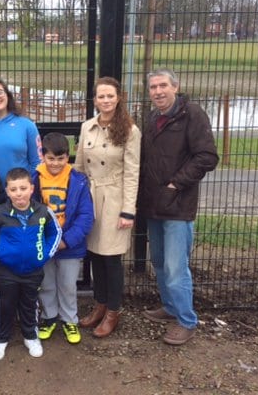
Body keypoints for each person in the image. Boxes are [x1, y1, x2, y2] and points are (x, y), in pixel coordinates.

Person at [138, 68, 218, 345]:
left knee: (175, 266)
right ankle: (170, 307)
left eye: (163, 86)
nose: (158, 92)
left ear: (175, 87)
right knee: (159, 262)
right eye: (153, 87)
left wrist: (176, 184)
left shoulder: (192, 115)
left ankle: (186, 320)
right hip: (154, 204)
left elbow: (207, 156)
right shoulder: (152, 118)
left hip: (178, 205)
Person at [74, 76, 141, 338]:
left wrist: (128, 210)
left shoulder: (130, 131)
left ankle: (114, 311)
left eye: (110, 96)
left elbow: (132, 173)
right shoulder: (86, 127)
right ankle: (99, 305)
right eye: (101, 96)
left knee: (111, 258)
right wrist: (74, 202)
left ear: (118, 98)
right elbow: (79, 167)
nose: (105, 100)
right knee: (94, 256)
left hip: (114, 199)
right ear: (95, 100)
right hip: (90, 199)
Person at [0, 167, 62, 360]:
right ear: (7, 191)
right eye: (13, 189)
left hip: (33, 270)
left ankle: (31, 336)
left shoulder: (43, 211)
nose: (19, 193)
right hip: (6, 270)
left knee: (30, 303)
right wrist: (0, 254)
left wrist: (44, 255)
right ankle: (1, 339)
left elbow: (55, 233)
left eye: (23, 188)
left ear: (31, 188)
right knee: (5, 304)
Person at [32, 133, 94, 344]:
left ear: (68, 157)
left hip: (70, 245)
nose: (56, 163)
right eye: (51, 158)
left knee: (68, 285)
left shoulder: (78, 180)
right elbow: (28, 211)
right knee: (47, 282)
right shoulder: (35, 178)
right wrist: (42, 240)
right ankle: (49, 317)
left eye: (60, 158)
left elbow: (86, 216)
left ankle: (69, 320)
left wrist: (67, 240)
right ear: (43, 156)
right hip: (45, 243)